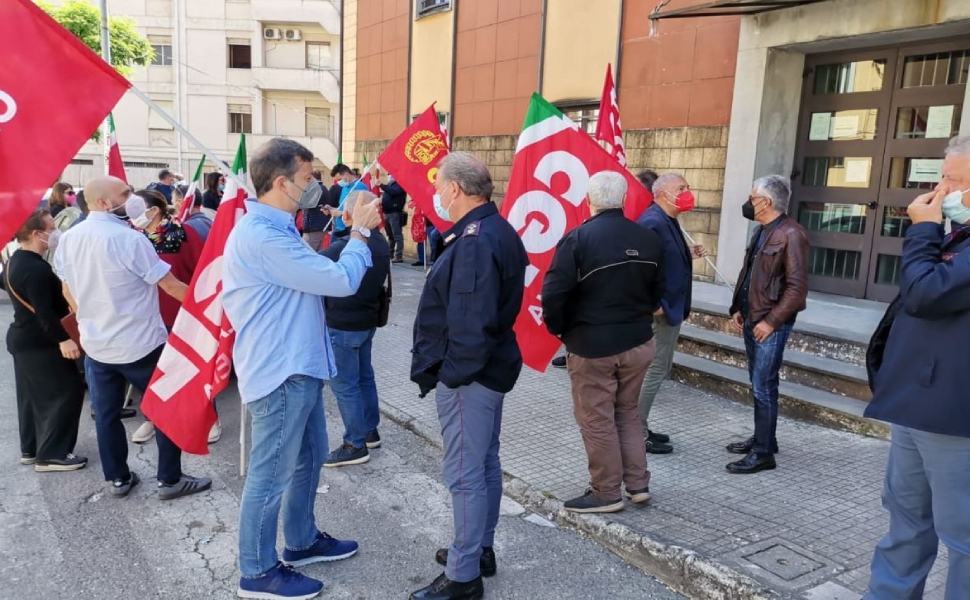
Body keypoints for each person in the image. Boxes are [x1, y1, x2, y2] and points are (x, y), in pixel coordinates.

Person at [222, 138, 381, 600]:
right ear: (281, 182)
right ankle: (257, 570)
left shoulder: (278, 227)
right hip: (281, 370)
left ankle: (301, 540)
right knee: (271, 474)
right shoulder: (264, 235)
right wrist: (361, 235)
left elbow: (311, 271)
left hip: (300, 364)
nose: (316, 186)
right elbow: (338, 281)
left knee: (309, 457)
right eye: (309, 178)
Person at [410, 152, 528, 600]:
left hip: (472, 377)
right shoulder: (493, 230)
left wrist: (451, 378)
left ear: (455, 189)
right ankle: (478, 548)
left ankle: (464, 576)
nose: (438, 194)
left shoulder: (477, 239)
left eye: (440, 186)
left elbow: (469, 324)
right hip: (490, 369)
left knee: (464, 472)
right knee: (484, 463)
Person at [53, 175, 212, 500]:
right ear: (102, 202)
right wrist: (213, 309)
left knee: (107, 414)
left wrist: (86, 315)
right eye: (124, 194)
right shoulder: (130, 240)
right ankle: (170, 479)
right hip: (141, 344)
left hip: (97, 345)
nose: (132, 198)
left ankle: (118, 479)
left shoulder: (70, 238)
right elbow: (170, 285)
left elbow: (66, 285)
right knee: (164, 410)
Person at [862, 135, 970, 599]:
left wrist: (923, 232)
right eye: (944, 176)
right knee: (905, 522)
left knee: (963, 537)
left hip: (954, 414)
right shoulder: (957, 234)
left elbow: (926, 294)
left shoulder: (940, 234)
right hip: (915, 403)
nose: (942, 189)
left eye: (955, 179)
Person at [542, 171, 664, 514]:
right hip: (639, 340)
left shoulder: (578, 239)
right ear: (624, 200)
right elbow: (658, 292)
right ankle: (637, 484)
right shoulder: (649, 238)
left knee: (596, 418)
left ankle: (606, 491)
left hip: (593, 345)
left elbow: (553, 295)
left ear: (588, 200)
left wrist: (563, 331)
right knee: (627, 412)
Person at [726, 175, 808, 474]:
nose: (748, 202)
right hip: (752, 317)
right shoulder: (763, 231)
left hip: (769, 324)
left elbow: (797, 289)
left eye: (752, 197)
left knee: (763, 387)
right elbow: (750, 273)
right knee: (759, 384)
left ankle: (763, 454)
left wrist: (771, 322)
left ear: (766, 202)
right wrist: (738, 307)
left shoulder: (791, 233)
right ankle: (764, 439)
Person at [128, 190, 218, 445]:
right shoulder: (133, 237)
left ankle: (210, 418)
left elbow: (204, 271)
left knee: (195, 369)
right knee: (157, 373)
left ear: (154, 210)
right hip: (147, 316)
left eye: (138, 207)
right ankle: (154, 418)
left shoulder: (183, 234)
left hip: (183, 313)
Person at [5, 210, 86, 472]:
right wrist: (64, 340)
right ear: (37, 234)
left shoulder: (16, 260)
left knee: (31, 397)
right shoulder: (35, 269)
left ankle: (31, 449)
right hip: (41, 342)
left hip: (24, 339)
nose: (56, 232)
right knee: (67, 391)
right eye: (52, 227)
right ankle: (52, 454)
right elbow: (45, 313)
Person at [636, 173, 705, 455]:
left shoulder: (667, 220)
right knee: (653, 371)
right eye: (681, 188)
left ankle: (639, 426)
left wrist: (688, 253)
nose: (688, 192)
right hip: (660, 313)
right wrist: (655, 304)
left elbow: (665, 258)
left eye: (687, 187)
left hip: (672, 308)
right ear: (663, 193)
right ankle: (636, 432)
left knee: (659, 368)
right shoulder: (652, 223)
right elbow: (641, 270)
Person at [321, 190, 390, 467]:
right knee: (364, 378)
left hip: (342, 324)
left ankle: (355, 443)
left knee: (346, 385)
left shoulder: (343, 247)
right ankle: (369, 429)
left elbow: (312, 267)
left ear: (349, 214)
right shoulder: (382, 243)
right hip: (366, 322)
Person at [301, 169, 332, 251]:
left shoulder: (315, 189)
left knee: (307, 253)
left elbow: (304, 205)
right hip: (319, 226)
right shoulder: (323, 188)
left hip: (314, 227)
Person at [379, 174, 407, 263]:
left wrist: (382, 185)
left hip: (395, 213)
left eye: (390, 174)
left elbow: (393, 192)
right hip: (387, 213)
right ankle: (390, 254)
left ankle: (398, 256)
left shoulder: (400, 184)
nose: (389, 176)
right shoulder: (390, 184)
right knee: (390, 235)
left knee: (397, 235)